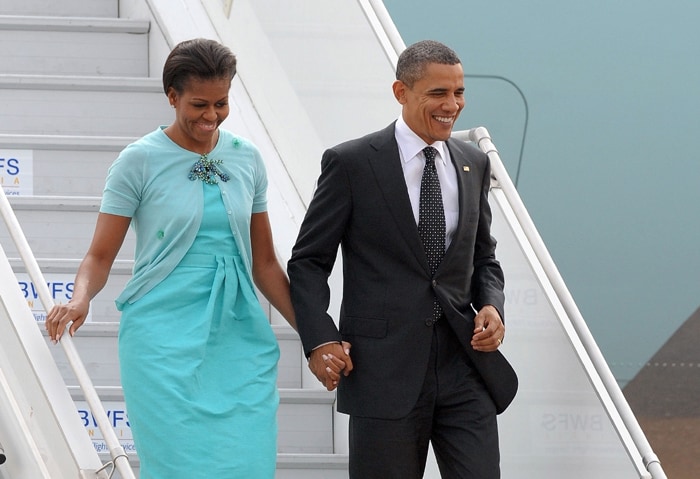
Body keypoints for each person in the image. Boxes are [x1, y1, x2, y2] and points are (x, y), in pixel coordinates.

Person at [45, 38, 296, 478]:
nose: (211, 116)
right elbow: (99, 256)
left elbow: (266, 265)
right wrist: (80, 298)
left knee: (248, 462)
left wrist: (317, 333)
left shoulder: (247, 158)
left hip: (238, 334)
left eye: (221, 103)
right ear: (172, 96)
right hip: (161, 337)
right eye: (200, 104)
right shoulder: (137, 161)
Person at [287, 40, 518, 478]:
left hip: (465, 366)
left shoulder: (473, 162)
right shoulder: (351, 163)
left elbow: (484, 256)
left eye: (459, 92)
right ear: (401, 92)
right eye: (438, 93)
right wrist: (320, 340)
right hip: (381, 370)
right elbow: (308, 261)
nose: (453, 105)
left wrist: (492, 304)